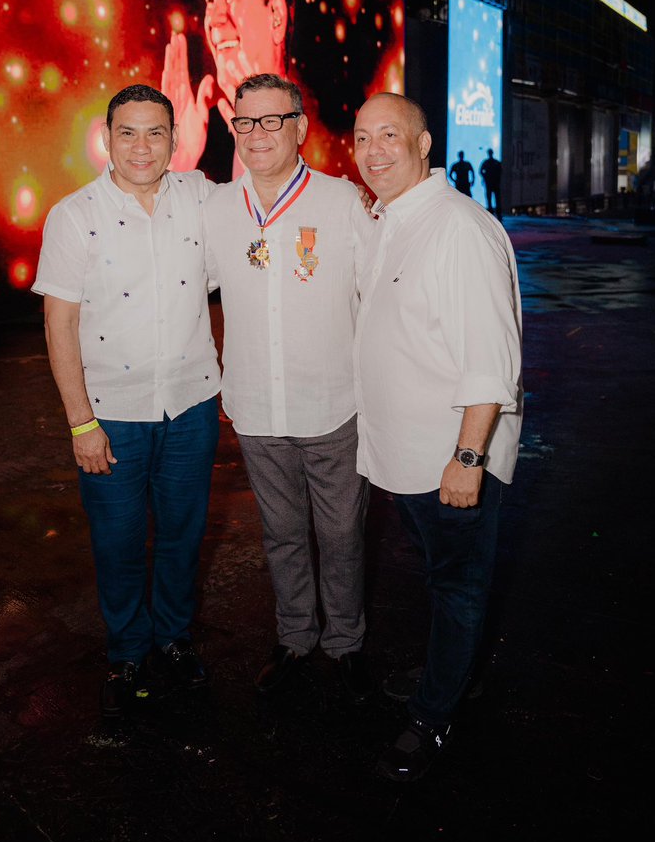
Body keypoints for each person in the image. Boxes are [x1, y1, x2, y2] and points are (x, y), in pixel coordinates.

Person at [32, 84, 221, 721]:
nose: (142, 147)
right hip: (111, 412)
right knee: (117, 544)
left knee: (181, 538)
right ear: (106, 138)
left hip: (192, 406)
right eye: (128, 132)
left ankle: (172, 640)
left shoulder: (199, 197)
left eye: (156, 132)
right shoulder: (73, 215)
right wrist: (81, 422)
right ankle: (127, 653)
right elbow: (59, 326)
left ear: (176, 138)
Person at [352, 92, 523, 782]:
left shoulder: (459, 228)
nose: (373, 151)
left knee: (457, 586)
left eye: (390, 135)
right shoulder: (395, 221)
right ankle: (458, 672)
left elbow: (491, 359)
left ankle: (434, 718)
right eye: (362, 137)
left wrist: (468, 458)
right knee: (442, 580)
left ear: (425, 145)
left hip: (451, 458)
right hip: (408, 456)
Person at [202, 72, 376, 702]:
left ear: (301, 128)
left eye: (272, 120)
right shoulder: (219, 209)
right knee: (279, 535)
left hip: (333, 405)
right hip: (255, 408)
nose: (256, 134)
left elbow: (382, 297)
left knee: (340, 534)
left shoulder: (343, 204)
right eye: (244, 122)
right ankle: (296, 636)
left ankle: (346, 643)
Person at [162, 0, 295, 182]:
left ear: (276, 16)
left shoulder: (327, 138)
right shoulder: (201, 143)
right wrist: (174, 167)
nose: (215, 17)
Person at [479, 148, 502, 218]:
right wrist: (485, 177)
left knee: (496, 199)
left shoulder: (495, 162)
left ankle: (497, 214)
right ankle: (492, 214)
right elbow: (480, 171)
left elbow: (500, 171)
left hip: (493, 183)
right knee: (490, 199)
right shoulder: (487, 162)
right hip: (490, 183)